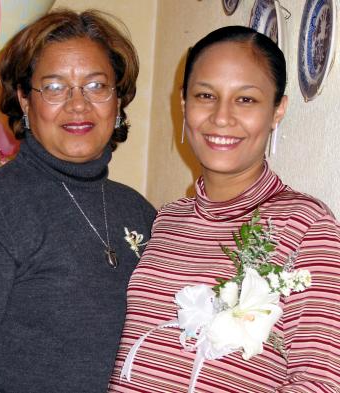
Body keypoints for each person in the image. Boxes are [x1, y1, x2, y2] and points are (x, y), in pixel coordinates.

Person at [109, 26, 340, 392]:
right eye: (205, 95)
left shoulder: (307, 227)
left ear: (277, 109)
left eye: (246, 100)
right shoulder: (168, 219)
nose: (221, 117)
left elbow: (320, 382)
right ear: (184, 103)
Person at [0, 9, 156, 393]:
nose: (78, 105)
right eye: (55, 87)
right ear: (25, 100)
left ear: (117, 100)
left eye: (96, 86)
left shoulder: (139, 212)